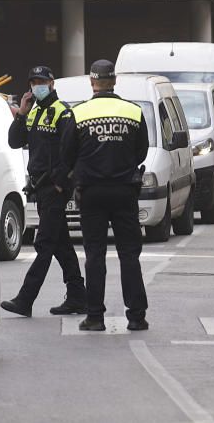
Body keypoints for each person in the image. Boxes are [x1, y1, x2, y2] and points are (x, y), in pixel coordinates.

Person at [61, 59, 150, 332]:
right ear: (114, 81)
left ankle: (95, 317)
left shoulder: (79, 113)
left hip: (92, 193)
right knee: (129, 255)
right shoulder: (133, 112)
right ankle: (136, 316)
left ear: (92, 82)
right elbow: (142, 150)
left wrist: (82, 172)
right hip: (124, 190)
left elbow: (67, 155)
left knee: (95, 255)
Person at [0, 65, 86, 318]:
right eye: (33, 82)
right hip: (40, 188)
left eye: (42, 81)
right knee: (61, 245)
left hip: (55, 188)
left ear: (52, 84)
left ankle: (25, 300)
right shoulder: (34, 112)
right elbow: (15, 141)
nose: (37, 86)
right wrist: (21, 114)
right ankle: (77, 296)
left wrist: (61, 183)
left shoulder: (64, 113)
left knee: (44, 243)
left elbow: (72, 153)